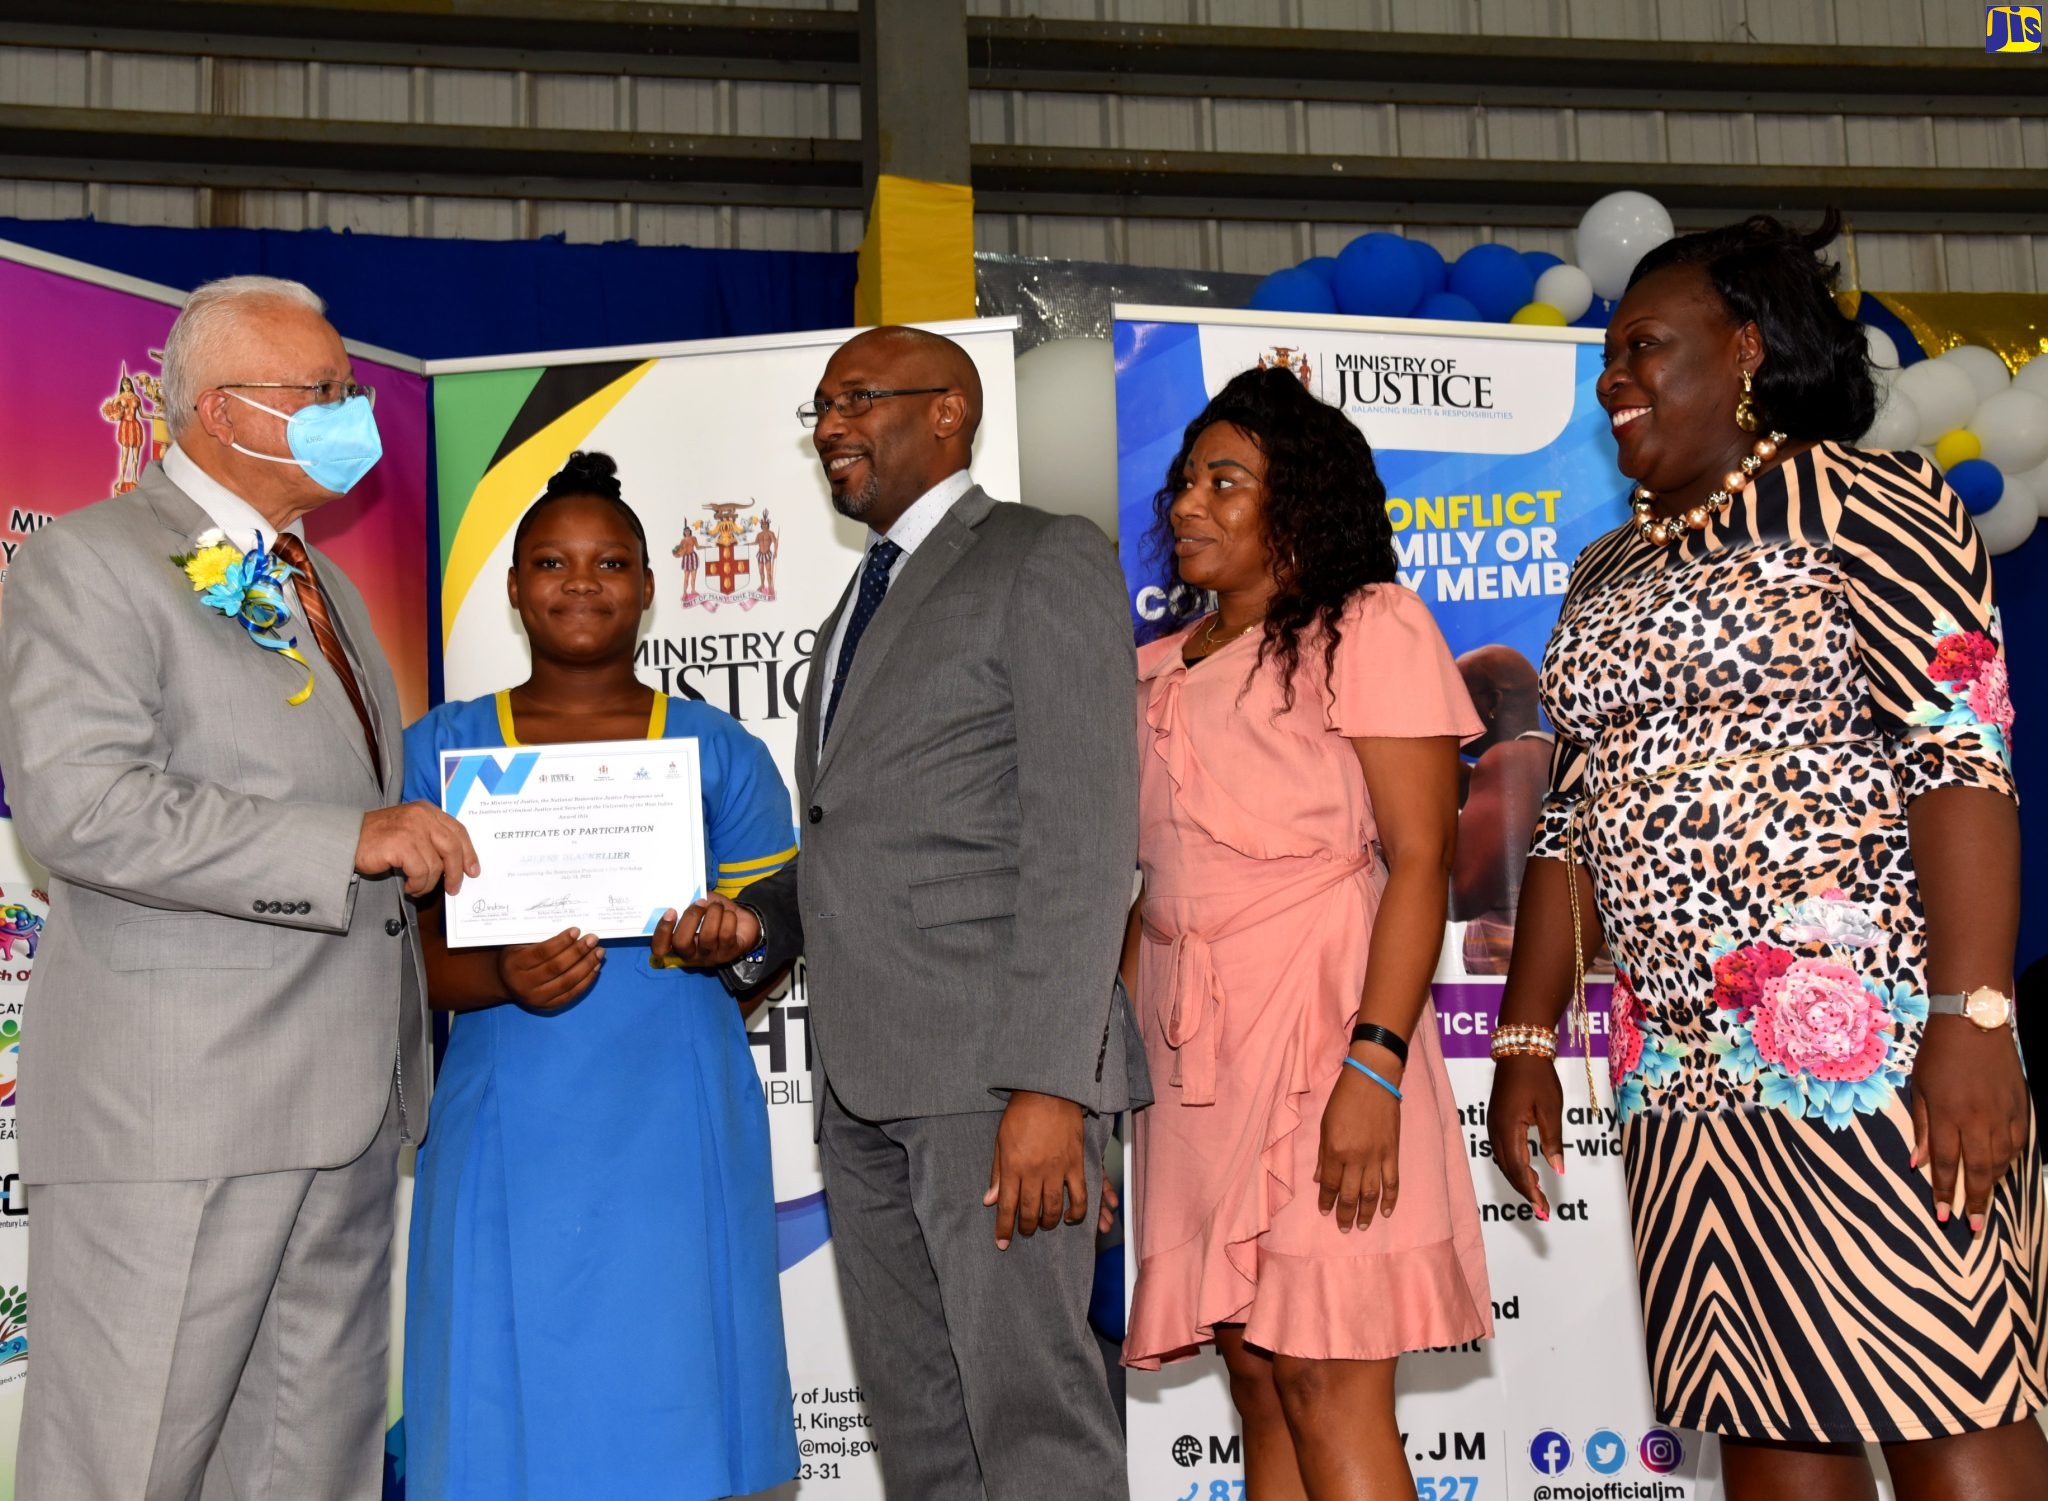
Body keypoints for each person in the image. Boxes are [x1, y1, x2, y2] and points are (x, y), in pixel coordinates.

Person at [1488, 215, 2048, 1501]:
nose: (1611, 377)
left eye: (1644, 348)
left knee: (1943, 1397)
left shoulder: (1874, 508)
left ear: (1743, 350)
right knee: (1762, 1421)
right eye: (1610, 353)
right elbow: (1570, 822)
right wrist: (1526, 1041)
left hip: (1877, 1057)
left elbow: (1957, 764)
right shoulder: (1602, 571)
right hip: (1678, 1081)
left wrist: (1971, 1018)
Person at [0, 275, 474, 1500]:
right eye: (318, 393)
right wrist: (346, 842)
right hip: (176, 1116)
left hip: (348, 1111)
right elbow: (82, 808)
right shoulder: (91, 565)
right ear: (219, 412)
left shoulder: (326, 588)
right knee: (125, 1462)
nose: (347, 414)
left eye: (350, 390)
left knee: (307, 1467)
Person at [708, 324, 1144, 1500]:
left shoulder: (1038, 556)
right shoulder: (862, 593)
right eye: (819, 410)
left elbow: (1083, 837)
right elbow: (866, 832)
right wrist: (759, 927)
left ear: (948, 410)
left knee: (1033, 1419)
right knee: (923, 1435)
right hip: (864, 1082)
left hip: (996, 1082)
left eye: (854, 399)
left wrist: (1051, 1085)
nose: (830, 427)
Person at [1120, 364, 1494, 1499]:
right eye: (1185, 480)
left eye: (1224, 481)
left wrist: (1371, 1068)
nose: (1187, 503)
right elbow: (1136, 895)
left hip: (1328, 1025)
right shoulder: (1141, 674)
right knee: (1257, 1376)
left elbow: (1420, 859)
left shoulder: (1367, 625)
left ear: (1301, 503)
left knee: (1329, 1378)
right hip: (1190, 1063)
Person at [400, 451, 800, 1501]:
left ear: (648, 588)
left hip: (673, 1123)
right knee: (502, 1409)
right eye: (552, 562)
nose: (581, 583)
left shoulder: (720, 752)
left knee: (676, 1399)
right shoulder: (438, 748)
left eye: (610, 562)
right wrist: (501, 973)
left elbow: (776, 938)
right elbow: (400, 963)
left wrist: (731, 936)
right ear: (515, 586)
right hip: (507, 1123)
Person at [1451, 645, 1551, 975]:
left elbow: (1460, 896)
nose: (1447, 711)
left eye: (1456, 697)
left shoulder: (1509, 763)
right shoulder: (1548, 757)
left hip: (1512, 990)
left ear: (1492, 703)